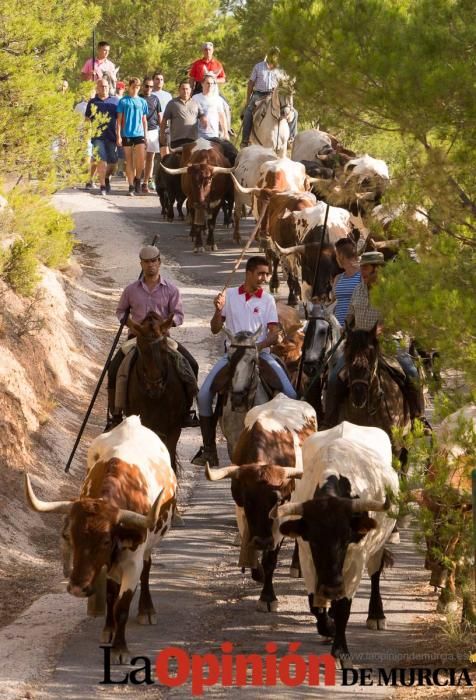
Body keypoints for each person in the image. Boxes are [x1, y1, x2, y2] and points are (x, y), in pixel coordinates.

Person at [191, 256, 298, 467]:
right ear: (248, 273)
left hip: (261, 355)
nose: (264, 278)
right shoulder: (229, 296)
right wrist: (217, 309)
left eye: (266, 274)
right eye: (260, 274)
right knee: (203, 395)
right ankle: (209, 450)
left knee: (292, 393)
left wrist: (256, 347)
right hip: (231, 356)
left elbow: (274, 333)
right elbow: (214, 329)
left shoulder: (267, 300)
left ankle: (291, 445)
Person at [324, 251, 431, 431]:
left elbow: (401, 318)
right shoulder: (359, 289)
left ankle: (419, 417)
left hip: (388, 342)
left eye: (366, 268)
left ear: (378, 269)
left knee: (411, 371)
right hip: (358, 342)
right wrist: (347, 325)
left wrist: (380, 329)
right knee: (335, 375)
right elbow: (350, 313)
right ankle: (329, 420)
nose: (362, 272)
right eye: (362, 268)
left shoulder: (393, 291)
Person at [107, 245, 199, 428]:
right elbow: (120, 312)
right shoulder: (131, 290)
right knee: (115, 367)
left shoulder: (171, 290)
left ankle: (187, 410)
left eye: (153, 261)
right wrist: (129, 323)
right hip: (137, 338)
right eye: (146, 262)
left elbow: (179, 315)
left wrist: (166, 326)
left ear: (159, 262)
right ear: (141, 264)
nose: (150, 265)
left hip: (161, 338)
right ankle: (116, 414)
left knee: (191, 364)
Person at [241, 47, 297, 148]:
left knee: (295, 113)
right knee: (248, 112)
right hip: (259, 95)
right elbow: (250, 83)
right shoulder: (258, 67)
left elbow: (286, 86)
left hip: (274, 96)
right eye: (272, 55)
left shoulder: (281, 70)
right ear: (269, 55)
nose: (274, 58)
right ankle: (245, 140)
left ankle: (291, 139)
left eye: (276, 56)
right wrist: (248, 100)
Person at [85, 79, 119, 195]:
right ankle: (103, 186)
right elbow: (87, 119)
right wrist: (87, 133)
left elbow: (120, 120)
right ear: (97, 88)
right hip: (97, 136)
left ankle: (106, 178)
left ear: (109, 88)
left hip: (112, 136)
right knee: (101, 160)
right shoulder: (92, 102)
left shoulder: (115, 101)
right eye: (102, 86)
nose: (104, 88)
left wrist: (120, 135)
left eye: (106, 86)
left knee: (113, 162)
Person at [116, 77, 148, 196]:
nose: (135, 89)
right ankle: (130, 185)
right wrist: (118, 135)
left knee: (141, 160)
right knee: (128, 160)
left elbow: (144, 120)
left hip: (139, 133)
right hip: (127, 133)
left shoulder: (142, 101)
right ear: (129, 87)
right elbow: (119, 120)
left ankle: (138, 179)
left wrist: (146, 136)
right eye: (133, 86)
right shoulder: (123, 101)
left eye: (138, 87)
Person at [160, 80, 207, 150]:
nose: (185, 91)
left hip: (192, 140)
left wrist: (204, 121)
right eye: (183, 89)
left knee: (192, 160)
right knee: (176, 160)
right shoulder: (172, 103)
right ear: (179, 90)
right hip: (177, 140)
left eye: (187, 89)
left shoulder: (196, 103)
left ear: (190, 90)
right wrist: (162, 135)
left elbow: (202, 116)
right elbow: (164, 120)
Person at [332, 238, 361, 326]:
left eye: (336, 256)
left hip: (355, 330)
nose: (336, 259)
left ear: (341, 256)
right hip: (338, 330)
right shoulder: (338, 278)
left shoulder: (362, 276)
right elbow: (334, 303)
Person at [140, 77, 162, 193]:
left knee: (150, 158)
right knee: (139, 158)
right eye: (147, 86)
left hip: (153, 130)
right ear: (143, 86)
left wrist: (162, 129)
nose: (149, 88)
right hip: (139, 131)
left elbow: (159, 115)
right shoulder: (138, 98)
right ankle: (136, 179)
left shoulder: (155, 99)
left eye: (151, 86)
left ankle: (145, 182)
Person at [192, 74, 228, 140]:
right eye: (208, 83)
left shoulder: (218, 99)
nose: (210, 85)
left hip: (213, 134)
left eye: (212, 83)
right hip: (197, 135)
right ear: (202, 84)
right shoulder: (195, 98)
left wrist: (225, 133)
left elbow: (222, 116)